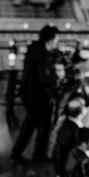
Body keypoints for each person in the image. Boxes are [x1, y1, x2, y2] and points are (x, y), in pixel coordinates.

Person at [9, 24, 60, 163]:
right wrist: (57, 78)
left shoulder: (34, 47)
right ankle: (37, 154)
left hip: (29, 92)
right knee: (43, 126)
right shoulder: (43, 55)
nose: (58, 41)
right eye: (56, 38)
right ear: (50, 38)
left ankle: (18, 153)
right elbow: (44, 78)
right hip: (38, 95)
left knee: (30, 124)